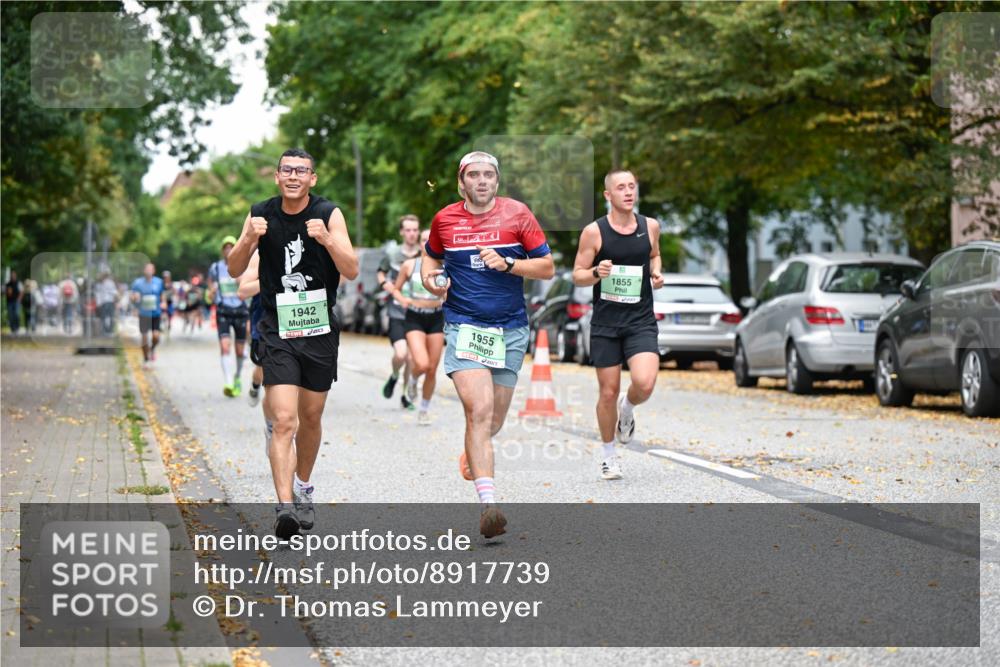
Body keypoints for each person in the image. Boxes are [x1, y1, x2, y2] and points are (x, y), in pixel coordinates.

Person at [227, 148, 358, 539]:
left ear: (312, 178)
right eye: (287, 170)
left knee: (311, 417)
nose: (294, 176)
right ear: (277, 176)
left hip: (318, 328)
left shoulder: (329, 213)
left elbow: (349, 269)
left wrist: (327, 240)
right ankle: (284, 507)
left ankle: (303, 486)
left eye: (302, 171)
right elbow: (235, 270)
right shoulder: (260, 213)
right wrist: (248, 237)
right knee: (284, 420)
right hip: (277, 327)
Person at [422, 151, 554, 538]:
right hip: (464, 325)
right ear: (462, 182)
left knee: (492, 421)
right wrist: (432, 280)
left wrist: (509, 264)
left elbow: (547, 267)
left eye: (489, 175)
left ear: (497, 181)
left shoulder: (518, 215)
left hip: (510, 328)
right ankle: (489, 505)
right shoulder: (445, 220)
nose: (482, 181)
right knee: (479, 411)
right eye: (474, 175)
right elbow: (429, 262)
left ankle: (473, 453)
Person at [572, 170, 663, 480]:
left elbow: (655, 255)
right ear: (608, 195)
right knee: (607, 392)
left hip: (640, 321)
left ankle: (629, 407)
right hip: (606, 324)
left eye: (632, 186)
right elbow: (578, 274)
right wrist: (597, 271)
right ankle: (609, 456)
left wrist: (656, 273)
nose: (628, 192)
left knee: (645, 383)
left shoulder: (650, 226)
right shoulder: (594, 232)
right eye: (620, 187)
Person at [390, 229, 445, 425]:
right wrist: (403, 300)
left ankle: (424, 410)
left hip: (437, 318)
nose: (427, 243)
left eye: (432, 240)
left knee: (432, 369)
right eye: (424, 240)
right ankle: (412, 382)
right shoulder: (410, 265)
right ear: (420, 244)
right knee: (421, 363)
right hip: (415, 318)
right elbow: (395, 289)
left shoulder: (443, 266)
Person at [377, 215, 422, 409]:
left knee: (412, 359)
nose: (412, 234)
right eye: (408, 230)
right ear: (402, 232)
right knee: (401, 354)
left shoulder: (423, 254)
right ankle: (394, 375)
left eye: (415, 230)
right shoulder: (393, 254)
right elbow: (380, 271)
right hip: (396, 312)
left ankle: (405, 396)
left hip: (417, 314)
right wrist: (385, 284)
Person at [209, 236, 251, 397]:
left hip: (240, 309)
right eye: (226, 247)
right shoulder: (215, 268)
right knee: (225, 346)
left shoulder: (245, 266)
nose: (228, 250)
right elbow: (211, 285)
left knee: (240, 352)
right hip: (223, 310)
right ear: (222, 250)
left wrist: (239, 276)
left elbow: (247, 285)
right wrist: (211, 292)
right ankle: (227, 381)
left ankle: (237, 376)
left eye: (231, 247)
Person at [236, 251, 266, 408]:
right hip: (265, 325)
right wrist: (271, 280)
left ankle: (279, 424)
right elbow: (242, 291)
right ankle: (255, 385)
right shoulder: (261, 252)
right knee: (264, 371)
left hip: (297, 324)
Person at [130, 262, 166, 363]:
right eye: (147, 269)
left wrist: (163, 302)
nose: (149, 271)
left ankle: (152, 348)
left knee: (156, 336)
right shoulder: (138, 283)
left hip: (155, 313)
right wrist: (134, 298)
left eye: (151, 269)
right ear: (144, 271)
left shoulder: (158, 282)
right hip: (143, 314)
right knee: (144, 338)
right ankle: (145, 357)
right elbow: (132, 296)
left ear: (154, 271)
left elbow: (162, 294)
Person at [5, 270, 22, 335]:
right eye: (12, 276)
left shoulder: (18, 283)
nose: (13, 277)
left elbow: (21, 291)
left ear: (15, 276)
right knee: (11, 315)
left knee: (16, 314)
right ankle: (12, 329)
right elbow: (5, 292)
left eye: (14, 275)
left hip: (16, 301)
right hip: (9, 302)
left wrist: (19, 299)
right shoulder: (8, 284)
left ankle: (17, 328)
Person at [161, 270, 175, 336]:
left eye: (167, 277)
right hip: (163, 302)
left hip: (169, 302)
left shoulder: (171, 284)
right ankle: (162, 325)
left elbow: (174, 292)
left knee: (170, 315)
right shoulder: (161, 284)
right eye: (165, 277)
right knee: (162, 314)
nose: (166, 278)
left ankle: (168, 326)